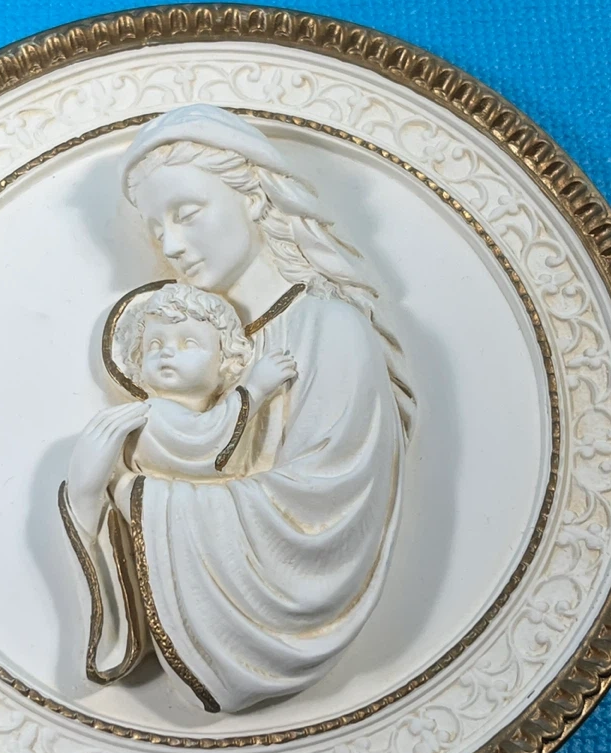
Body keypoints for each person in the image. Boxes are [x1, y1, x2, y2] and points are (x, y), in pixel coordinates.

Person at [59, 103, 411, 714]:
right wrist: (86, 499)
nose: (171, 245)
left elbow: (321, 515)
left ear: (252, 198)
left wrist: (132, 495)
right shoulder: (188, 339)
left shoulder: (329, 330)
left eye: (187, 213)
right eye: (155, 229)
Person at [111, 281, 297, 481]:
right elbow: (206, 436)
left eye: (188, 343)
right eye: (155, 344)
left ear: (225, 359)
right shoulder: (153, 412)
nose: (167, 352)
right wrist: (256, 389)